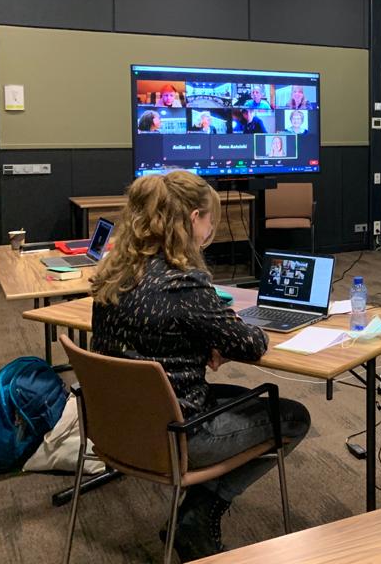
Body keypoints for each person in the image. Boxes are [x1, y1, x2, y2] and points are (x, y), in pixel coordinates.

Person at [90, 171, 310, 561]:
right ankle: (198, 513)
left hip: (118, 428)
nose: (211, 230)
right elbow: (252, 344)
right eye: (210, 221)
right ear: (194, 219)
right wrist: (222, 336)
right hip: (178, 435)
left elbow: (150, 337)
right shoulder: (184, 284)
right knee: (293, 416)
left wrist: (201, 340)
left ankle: (193, 514)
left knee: (244, 399)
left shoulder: (113, 274)